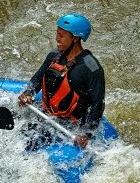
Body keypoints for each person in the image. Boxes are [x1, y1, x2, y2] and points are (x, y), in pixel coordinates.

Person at [17, 13, 105, 149]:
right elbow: (37, 79)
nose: (57, 39)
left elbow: (97, 105)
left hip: (71, 123)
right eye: (57, 34)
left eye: (62, 36)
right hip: (48, 112)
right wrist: (28, 93)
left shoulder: (92, 68)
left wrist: (86, 134)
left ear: (75, 38)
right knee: (16, 123)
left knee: (30, 143)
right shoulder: (54, 56)